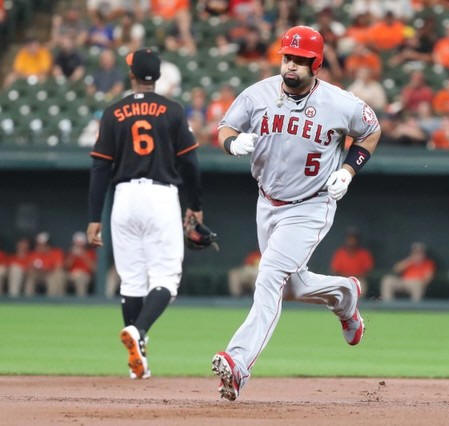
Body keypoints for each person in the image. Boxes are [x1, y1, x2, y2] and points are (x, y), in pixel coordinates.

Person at [212, 26, 380, 401]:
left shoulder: (340, 103)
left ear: (316, 65)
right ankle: (345, 295)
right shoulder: (257, 94)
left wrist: (348, 170)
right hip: (267, 201)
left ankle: (238, 364)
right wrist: (232, 143)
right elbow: (225, 127)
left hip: (312, 204)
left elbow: (371, 130)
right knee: (292, 286)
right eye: (287, 57)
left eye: (300, 61)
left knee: (270, 276)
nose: (291, 66)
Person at [87, 48, 203, 379]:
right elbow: (190, 162)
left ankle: (139, 359)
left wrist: (94, 216)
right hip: (160, 195)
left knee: (132, 281)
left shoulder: (114, 111)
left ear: (131, 75)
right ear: (159, 76)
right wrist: (195, 204)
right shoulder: (172, 110)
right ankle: (138, 332)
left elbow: (100, 167)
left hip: (123, 198)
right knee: (166, 280)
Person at [330, 228, 374, 296]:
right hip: (343, 280)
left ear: (358, 240)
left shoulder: (364, 253)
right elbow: (335, 271)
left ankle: (359, 302)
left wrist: (354, 278)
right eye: (350, 238)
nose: (352, 240)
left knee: (361, 284)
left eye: (354, 238)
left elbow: (368, 271)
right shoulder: (340, 253)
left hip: (359, 280)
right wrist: (346, 278)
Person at [24, 232, 65, 297]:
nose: (40, 246)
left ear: (48, 245)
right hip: (37, 274)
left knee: (55, 277)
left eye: (43, 245)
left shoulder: (56, 252)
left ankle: (52, 299)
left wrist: (46, 270)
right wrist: (35, 270)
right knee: (30, 279)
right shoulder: (34, 254)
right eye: (39, 244)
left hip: (50, 275)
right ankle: (28, 299)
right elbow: (28, 270)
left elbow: (58, 267)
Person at [64, 232, 96, 297]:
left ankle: (81, 300)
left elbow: (94, 268)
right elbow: (65, 267)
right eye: (77, 243)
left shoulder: (90, 253)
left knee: (81, 278)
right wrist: (72, 256)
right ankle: (59, 300)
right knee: (60, 277)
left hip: (85, 275)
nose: (79, 245)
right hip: (71, 275)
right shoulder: (70, 253)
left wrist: (83, 255)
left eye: (80, 243)